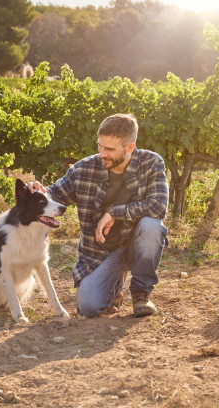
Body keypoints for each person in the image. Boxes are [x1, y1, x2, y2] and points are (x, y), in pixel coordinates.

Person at [27, 113, 168, 318]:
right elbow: (54, 194)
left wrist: (114, 213)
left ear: (130, 147)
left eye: (109, 149)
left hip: (135, 246)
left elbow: (158, 206)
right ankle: (114, 284)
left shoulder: (151, 163)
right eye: (100, 146)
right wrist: (36, 192)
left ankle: (141, 293)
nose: (102, 153)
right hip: (99, 254)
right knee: (88, 307)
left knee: (152, 225)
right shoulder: (83, 169)